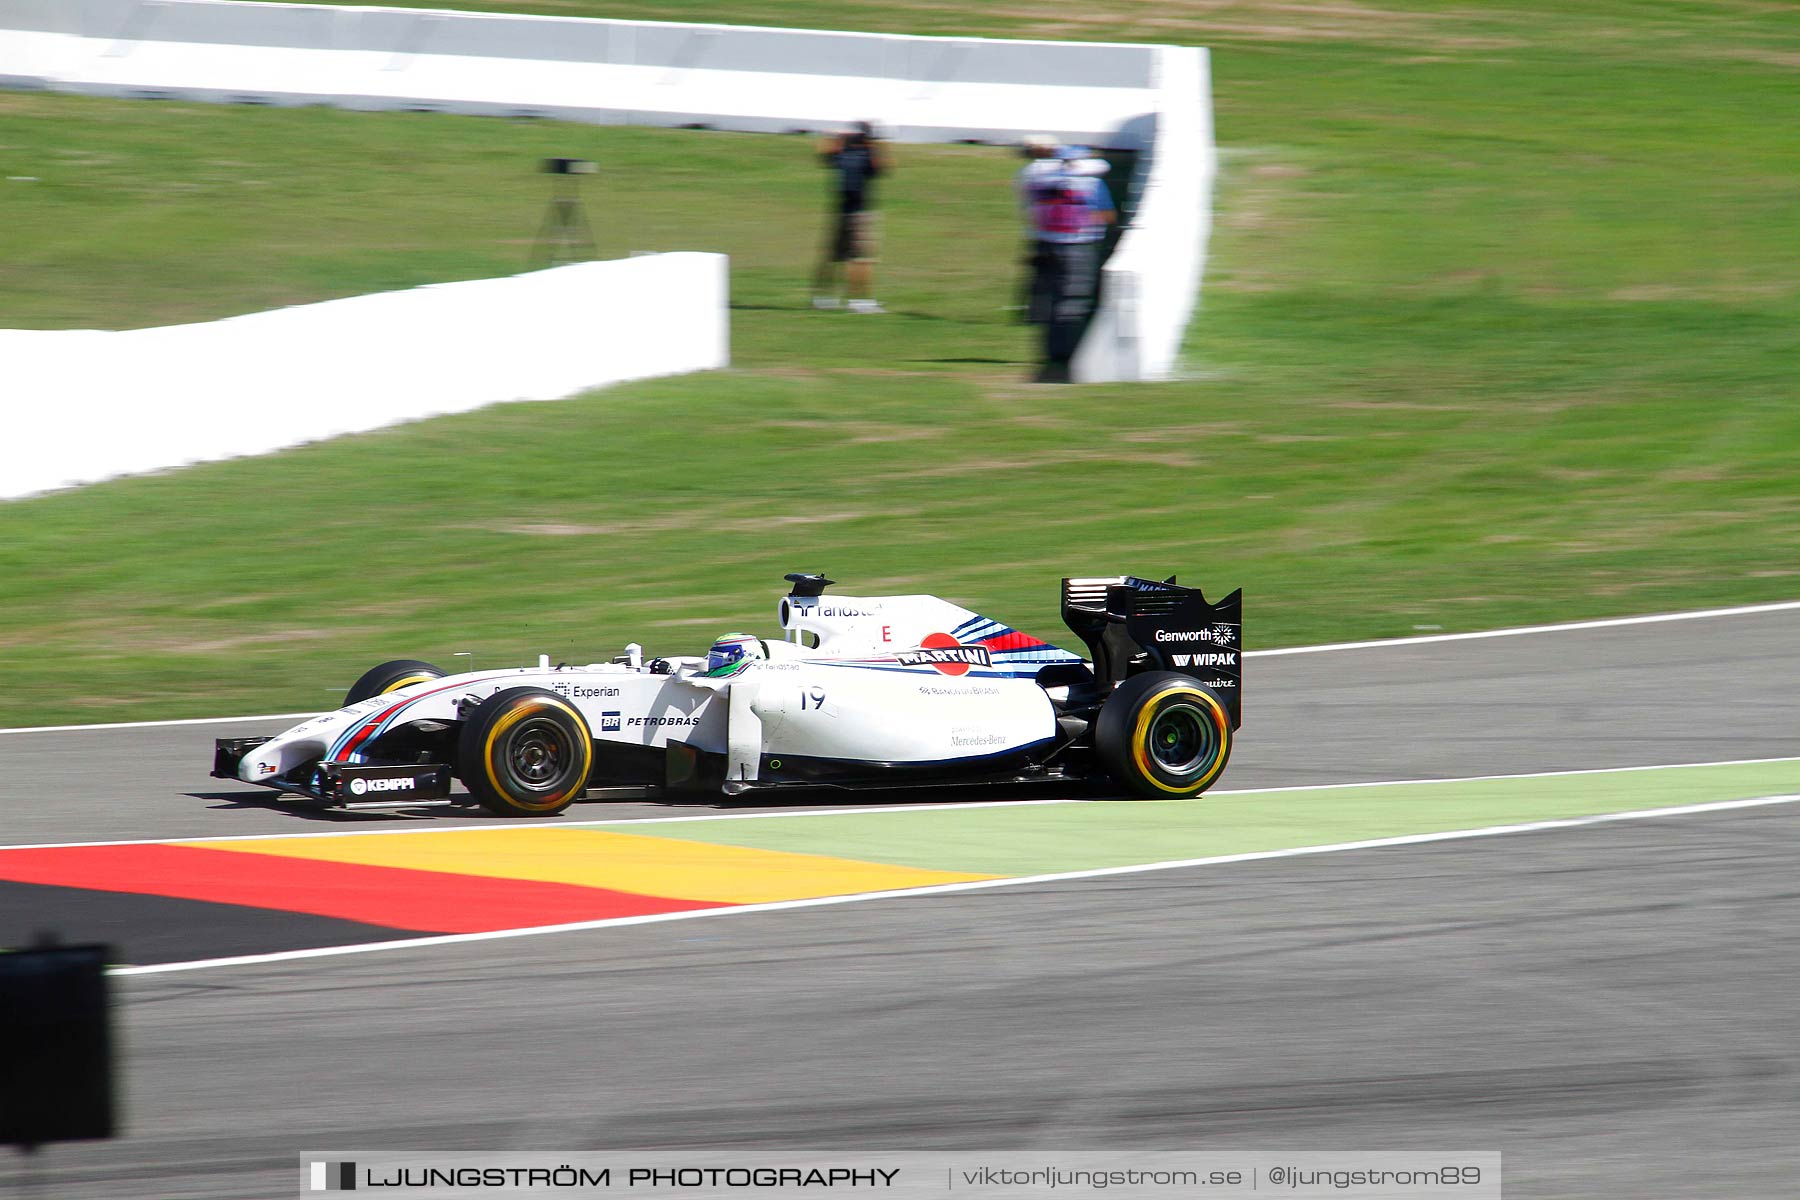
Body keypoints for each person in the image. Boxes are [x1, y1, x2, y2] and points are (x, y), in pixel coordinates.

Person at [1021, 145, 1116, 382]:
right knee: (1073, 301)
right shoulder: (1092, 184)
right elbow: (1107, 215)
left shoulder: (1037, 180)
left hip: (1043, 243)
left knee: (1048, 301)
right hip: (1078, 246)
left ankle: (1051, 351)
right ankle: (1068, 353)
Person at [811, 121, 889, 313]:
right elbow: (883, 167)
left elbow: (823, 155)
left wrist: (836, 138)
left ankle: (822, 297)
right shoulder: (866, 156)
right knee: (861, 258)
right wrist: (875, 145)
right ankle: (860, 301)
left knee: (833, 257)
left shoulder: (842, 154)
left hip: (840, 211)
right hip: (860, 213)